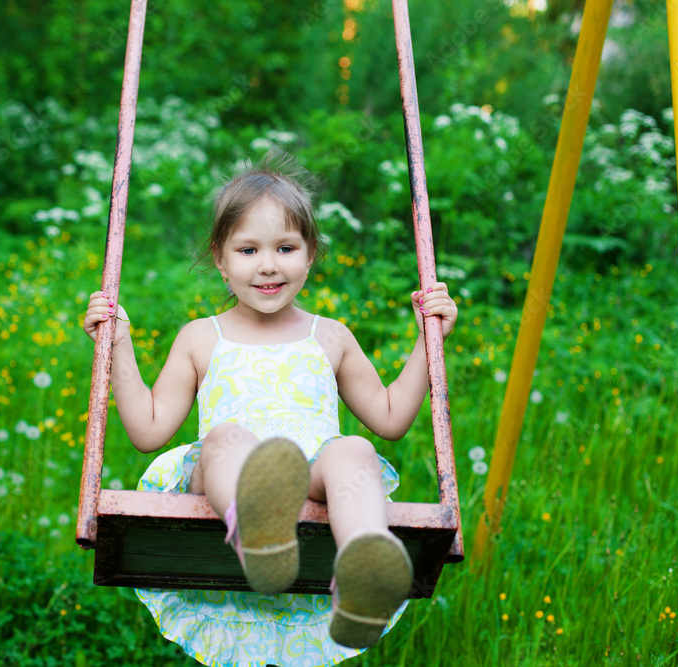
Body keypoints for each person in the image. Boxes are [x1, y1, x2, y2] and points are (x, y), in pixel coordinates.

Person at [83, 149, 458, 667]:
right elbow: (149, 429)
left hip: (306, 474)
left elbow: (391, 417)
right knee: (228, 438)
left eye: (285, 247)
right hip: (222, 480)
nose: (267, 265)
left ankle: (363, 568)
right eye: (248, 249)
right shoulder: (200, 338)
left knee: (352, 449)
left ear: (310, 255)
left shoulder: (330, 337)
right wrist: (118, 345)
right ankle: (255, 526)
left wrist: (427, 340)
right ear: (220, 258)